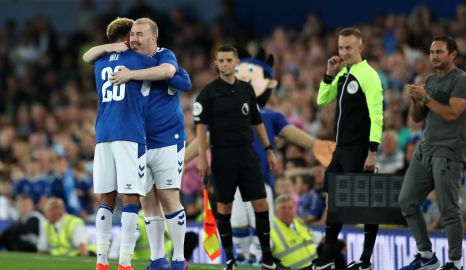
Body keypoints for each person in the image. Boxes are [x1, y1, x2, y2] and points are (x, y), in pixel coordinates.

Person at [83, 17, 191, 270]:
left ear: (154, 37)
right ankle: (157, 259)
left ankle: (179, 259)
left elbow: (179, 78)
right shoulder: (131, 59)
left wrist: (131, 75)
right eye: (132, 34)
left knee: (169, 197)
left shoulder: (163, 56)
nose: (134, 39)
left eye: (140, 34)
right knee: (148, 201)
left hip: (166, 139)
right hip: (139, 140)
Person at [194, 44, 286, 270]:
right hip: (223, 156)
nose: (224, 64)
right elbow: (200, 127)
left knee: (261, 203)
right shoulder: (208, 93)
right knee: (225, 207)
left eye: (228, 60)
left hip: (247, 154)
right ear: (216, 64)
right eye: (221, 60)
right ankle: (231, 259)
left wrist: (268, 149)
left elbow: (257, 121)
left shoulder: (247, 89)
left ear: (236, 62)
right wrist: (202, 158)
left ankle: (266, 258)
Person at [398, 35, 466, 270]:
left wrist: (426, 97)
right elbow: (416, 118)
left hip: (449, 152)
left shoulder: (464, 81)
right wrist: (415, 100)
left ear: (453, 54)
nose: (434, 56)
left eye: (440, 52)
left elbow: (452, 114)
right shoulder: (429, 80)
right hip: (425, 150)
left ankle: (454, 262)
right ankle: (426, 255)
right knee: (406, 202)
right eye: (432, 52)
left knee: (448, 210)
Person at [313, 27, 383, 270]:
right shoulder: (342, 73)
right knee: (333, 201)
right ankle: (327, 259)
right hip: (340, 149)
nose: (343, 52)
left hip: (360, 149)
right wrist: (329, 74)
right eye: (341, 47)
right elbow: (322, 100)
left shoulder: (369, 75)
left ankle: (364, 260)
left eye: (348, 48)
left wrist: (372, 150)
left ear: (360, 47)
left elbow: (377, 116)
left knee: (366, 207)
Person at [271, 194, 346, 270]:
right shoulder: (270, 230)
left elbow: (316, 237)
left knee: (333, 249)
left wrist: (340, 242)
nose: (287, 211)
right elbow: (264, 260)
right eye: (283, 208)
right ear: (275, 210)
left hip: (314, 267)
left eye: (290, 208)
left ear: (295, 210)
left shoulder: (298, 223)